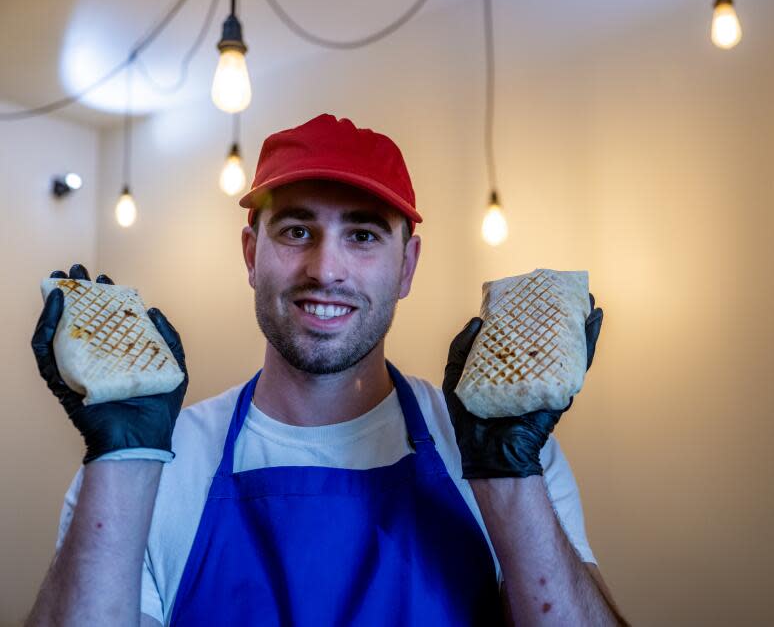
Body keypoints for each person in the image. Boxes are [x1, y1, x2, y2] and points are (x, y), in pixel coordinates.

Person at [26, 113, 626, 626]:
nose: (326, 268)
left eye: (362, 234)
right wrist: (118, 463)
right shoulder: (152, 464)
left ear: (406, 266)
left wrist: (508, 482)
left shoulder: (509, 455)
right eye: (296, 230)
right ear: (251, 254)